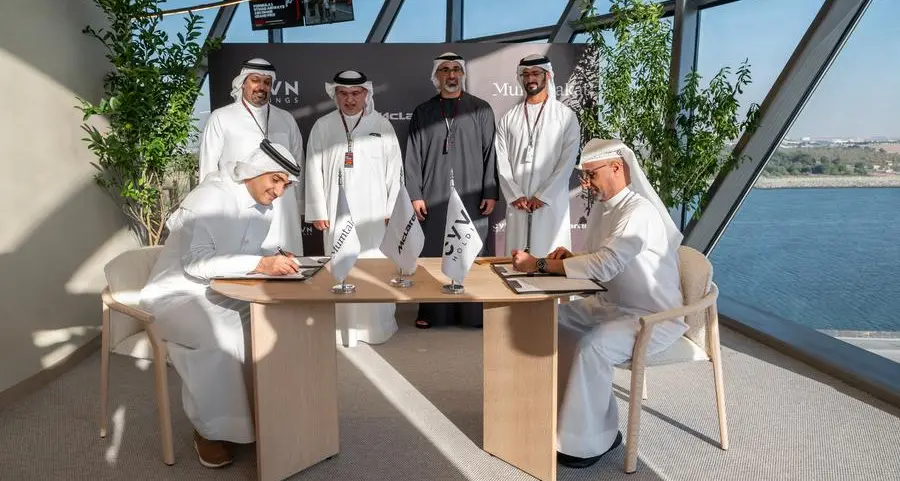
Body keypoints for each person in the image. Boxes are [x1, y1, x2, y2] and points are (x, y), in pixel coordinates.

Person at [510, 139, 686, 468]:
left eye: (591, 175)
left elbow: (605, 265)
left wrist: (539, 265)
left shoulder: (639, 212)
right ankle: (565, 419)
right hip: (611, 305)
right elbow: (600, 259)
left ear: (616, 168)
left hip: (654, 317)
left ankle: (591, 441)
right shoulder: (608, 209)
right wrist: (572, 257)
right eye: (584, 177)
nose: (587, 184)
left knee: (593, 346)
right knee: (555, 321)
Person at [140, 141, 303, 469]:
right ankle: (210, 431)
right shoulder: (210, 197)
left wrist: (271, 258)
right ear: (255, 171)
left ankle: (267, 415)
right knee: (224, 337)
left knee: (275, 321)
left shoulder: (264, 208)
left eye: (285, 184)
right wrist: (259, 265)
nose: (279, 191)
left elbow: (244, 253)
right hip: (176, 295)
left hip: (223, 290)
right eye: (275, 180)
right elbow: (196, 264)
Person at [305, 70, 402, 345]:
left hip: (374, 214)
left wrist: (391, 210)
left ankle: (376, 328)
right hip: (335, 213)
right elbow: (312, 168)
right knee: (340, 265)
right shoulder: (323, 126)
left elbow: (395, 171)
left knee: (374, 265)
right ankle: (341, 328)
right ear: (335, 95)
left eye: (355, 93)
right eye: (344, 94)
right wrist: (317, 210)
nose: (350, 99)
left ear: (366, 94)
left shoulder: (382, 125)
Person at [405, 51, 499, 329]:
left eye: (456, 69)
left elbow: (490, 154)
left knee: (470, 247)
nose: (451, 75)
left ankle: (472, 313)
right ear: (436, 76)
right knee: (435, 251)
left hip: (472, 195)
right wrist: (415, 193)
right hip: (434, 195)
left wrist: (490, 192)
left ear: (462, 74)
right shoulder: (423, 112)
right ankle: (434, 313)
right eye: (445, 70)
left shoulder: (481, 109)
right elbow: (412, 156)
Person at [199, 58, 305, 255]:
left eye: (267, 82)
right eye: (255, 80)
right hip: (240, 208)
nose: (261, 87)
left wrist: (298, 206)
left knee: (289, 269)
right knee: (246, 267)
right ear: (242, 83)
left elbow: (299, 165)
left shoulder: (286, 119)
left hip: (283, 207)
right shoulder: (221, 117)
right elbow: (208, 168)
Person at [495, 54, 581, 257]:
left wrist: (544, 195)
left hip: (551, 203)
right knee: (515, 262)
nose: (530, 78)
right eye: (525, 74)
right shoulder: (509, 118)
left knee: (551, 258)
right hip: (519, 203)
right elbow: (501, 160)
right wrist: (515, 195)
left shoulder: (565, 116)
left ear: (547, 76)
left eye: (535, 73)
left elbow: (567, 160)